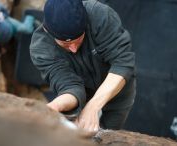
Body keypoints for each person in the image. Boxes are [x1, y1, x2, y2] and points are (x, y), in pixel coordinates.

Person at [30, 0, 136, 132]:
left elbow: (123, 64)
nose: (74, 49)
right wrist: (54, 107)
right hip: (82, 94)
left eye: (78, 39)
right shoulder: (41, 48)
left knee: (110, 132)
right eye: (65, 44)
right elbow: (69, 85)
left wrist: (93, 106)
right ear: (47, 31)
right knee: (80, 134)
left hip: (116, 87)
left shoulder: (100, 15)